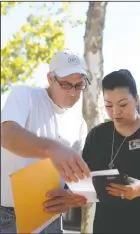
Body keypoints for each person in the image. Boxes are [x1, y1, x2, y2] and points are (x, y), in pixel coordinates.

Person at [44, 69, 140, 233]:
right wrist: (69, 196)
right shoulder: (97, 135)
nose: (115, 112)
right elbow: (83, 181)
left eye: (123, 104)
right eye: (108, 105)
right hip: (107, 226)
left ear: (136, 99)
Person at [1, 50, 91, 233]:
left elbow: (75, 180)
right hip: (10, 218)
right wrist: (51, 149)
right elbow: (7, 135)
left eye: (79, 85)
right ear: (50, 78)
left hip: (51, 219)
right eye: (66, 84)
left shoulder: (79, 123)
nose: (73, 92)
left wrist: (70, 197)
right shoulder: (25, 96)